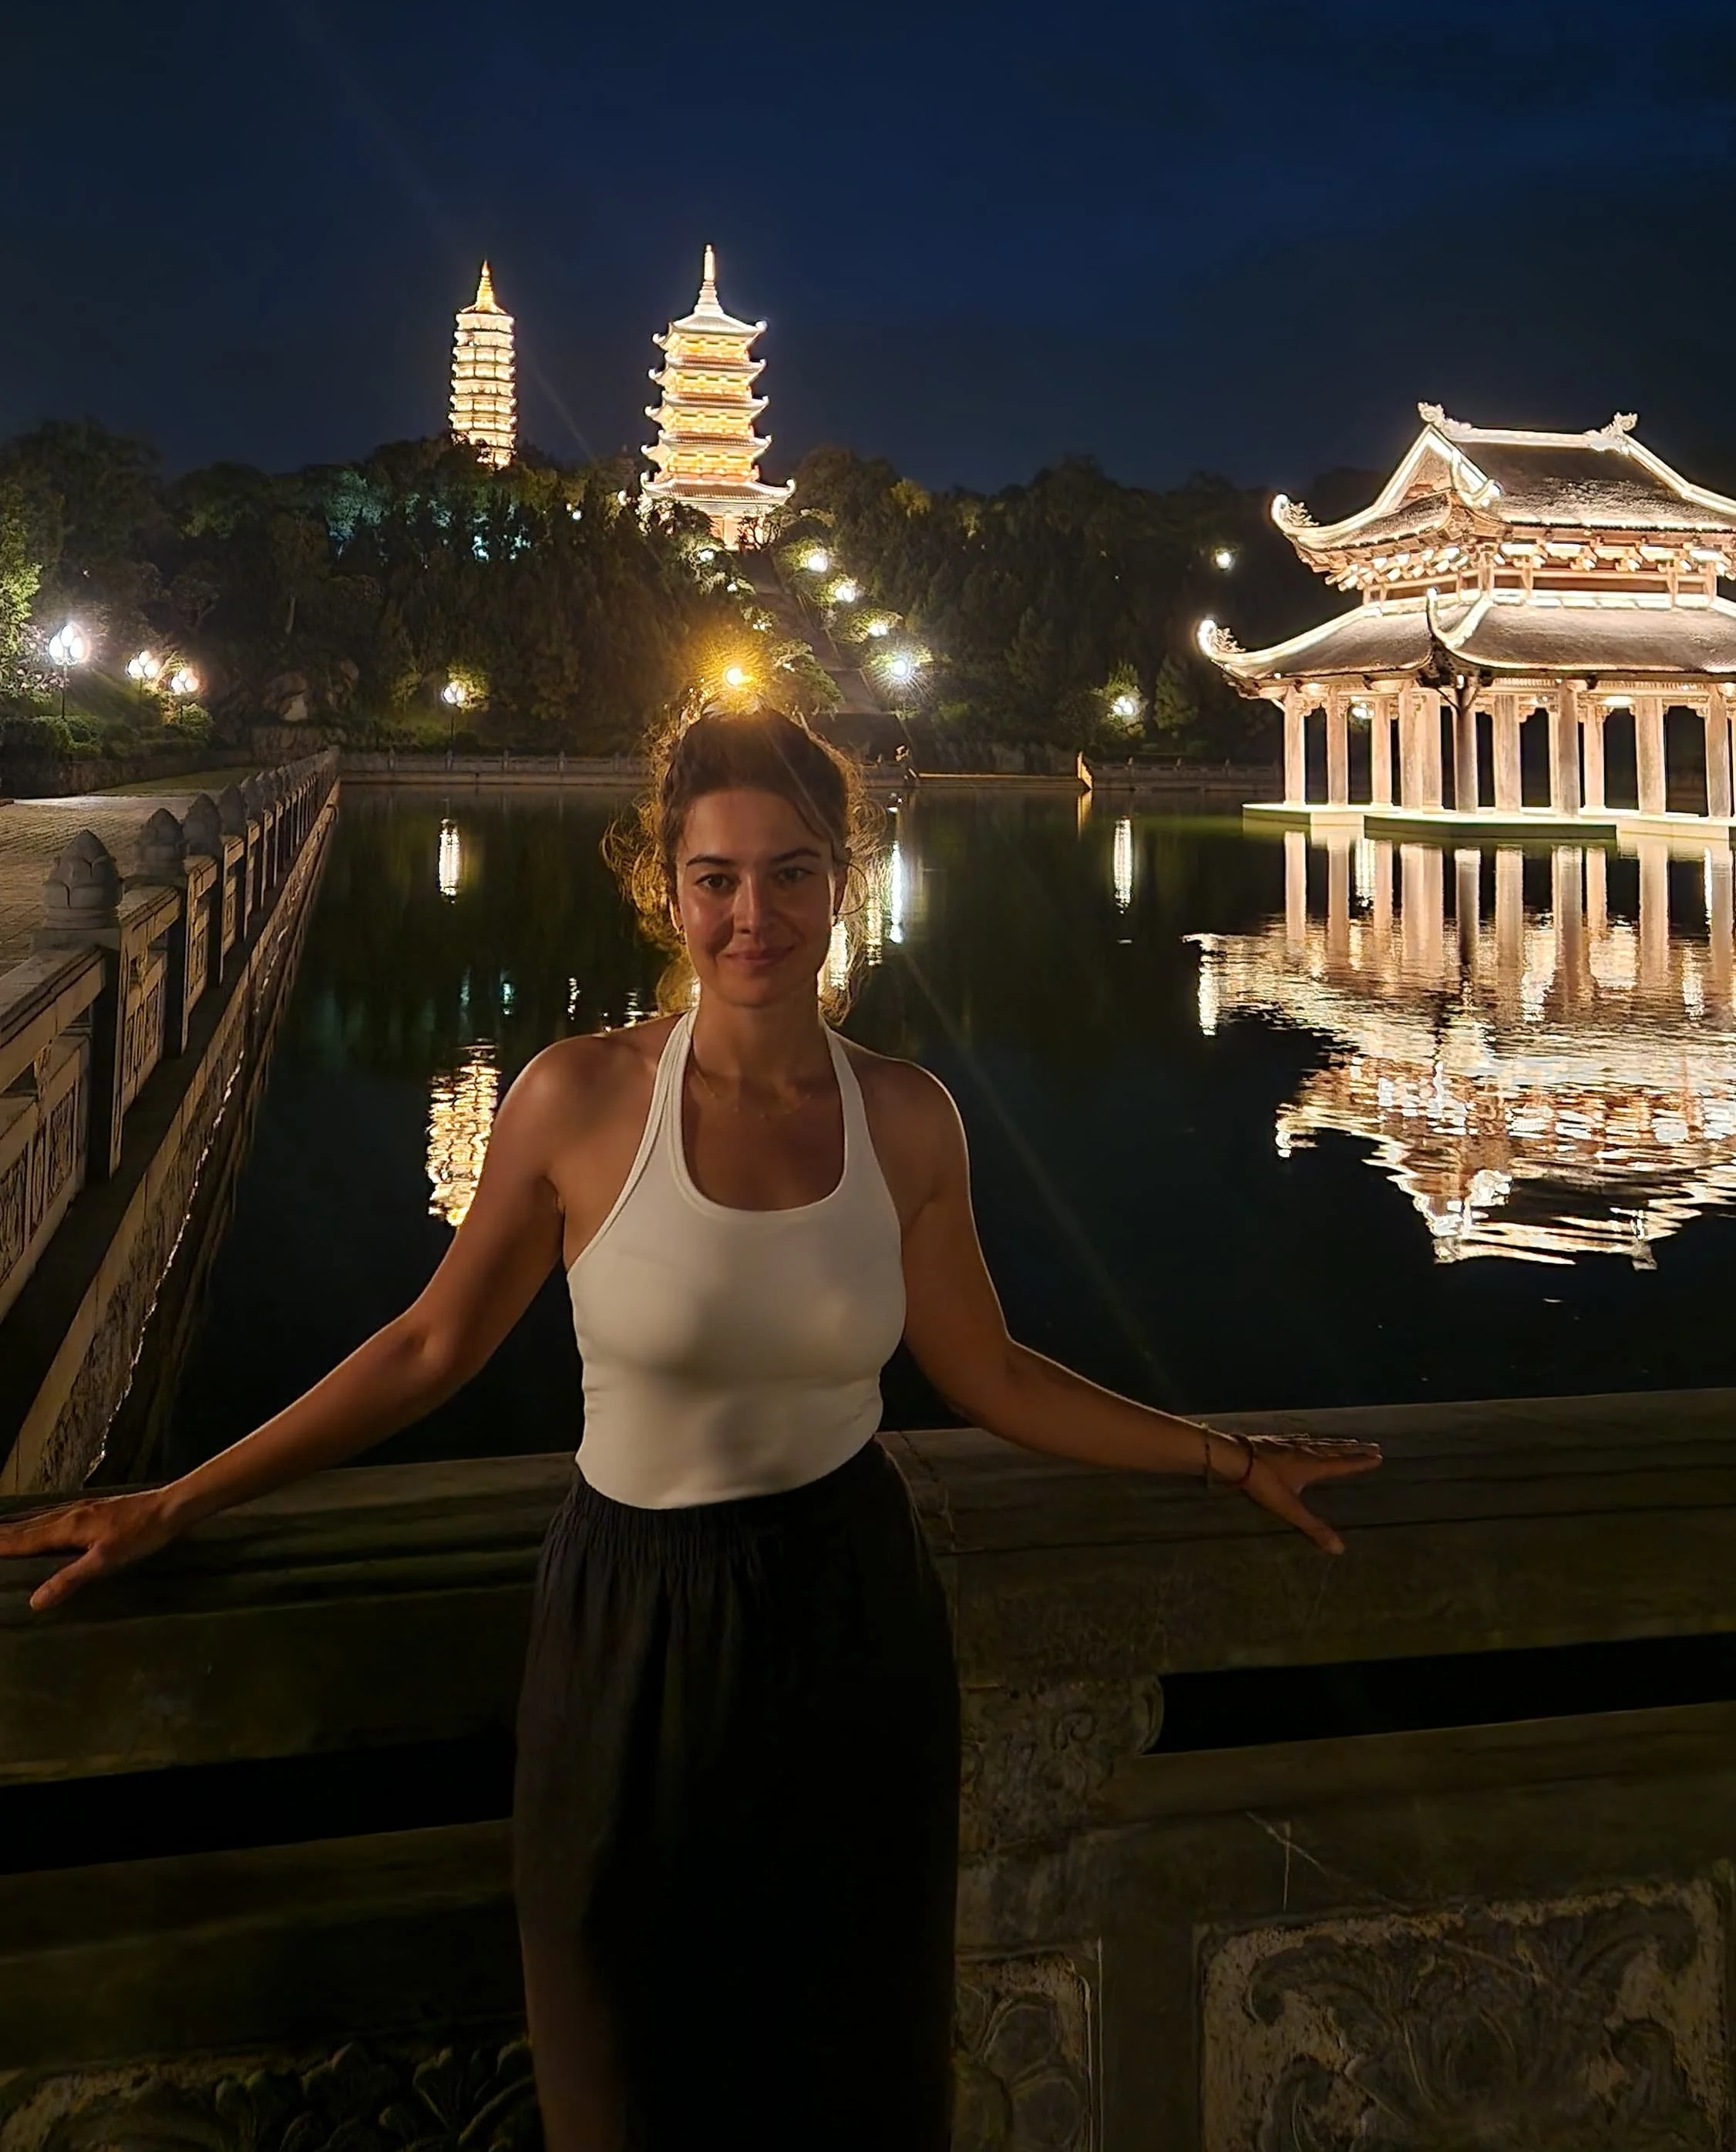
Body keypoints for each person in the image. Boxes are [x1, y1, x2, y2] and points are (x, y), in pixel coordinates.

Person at [1, 702, 1380, 2151]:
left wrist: (1227, 1455)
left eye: (791, 872)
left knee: (850, 2070)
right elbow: (428, 1345)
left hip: (850, 1612)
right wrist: (177, 1502)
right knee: (622, 2074)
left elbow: (994, 1376)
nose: (754, 915)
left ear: (841, 879)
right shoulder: (580, 1099)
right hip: (630, 1616)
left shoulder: (907, 1120)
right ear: (665, 886)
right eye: (717, 877)